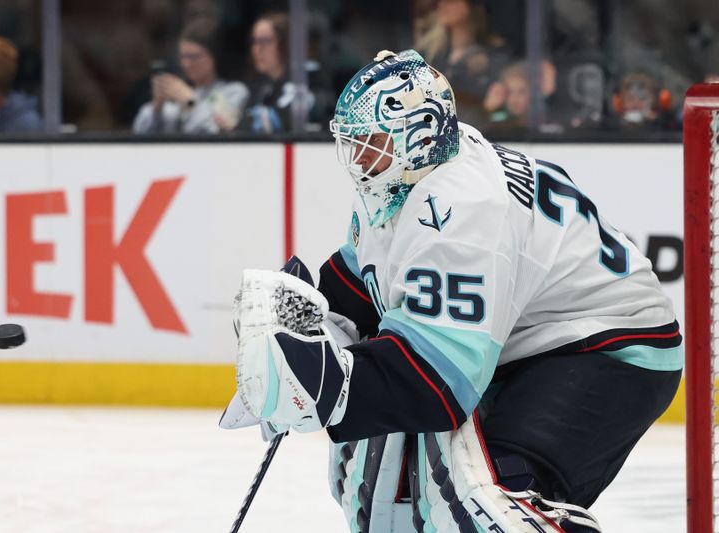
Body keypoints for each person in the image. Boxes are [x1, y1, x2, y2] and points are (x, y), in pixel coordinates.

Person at [228, 49, 682, 532]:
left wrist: (327, 385)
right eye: (354, 141)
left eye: (373, 141)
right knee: (388, 483)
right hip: (529, 343)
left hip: (610, 349)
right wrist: (313, 322)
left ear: (418, 133)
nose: (360, 156)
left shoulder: (462, 208)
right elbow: (369, 281)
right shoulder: (407, 176)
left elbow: (435, 384)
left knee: (491, 504)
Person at [132, 25, 248, 134]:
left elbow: (214, 131)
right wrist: (156, 108)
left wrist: (191, 103)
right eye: (183, 56)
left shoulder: (234, 91)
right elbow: (139, 132)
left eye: (194, 57)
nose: (187, 64)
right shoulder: (175, 94)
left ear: (213, 56)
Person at [415, 0, 510, 127]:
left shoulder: (493, 55)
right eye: (439, 2)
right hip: (431, 131)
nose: (442, 6)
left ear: (471, 6)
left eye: (451, 2)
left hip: (475, 134)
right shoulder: (428, 54)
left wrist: (489, 110)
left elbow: (501, 113)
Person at [239, 12, 313, 134]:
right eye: (254, 41)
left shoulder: (307, 79)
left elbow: (285, 121)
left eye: (265, 41)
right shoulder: (260, 86)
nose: (257, 49)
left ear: (285, 44)